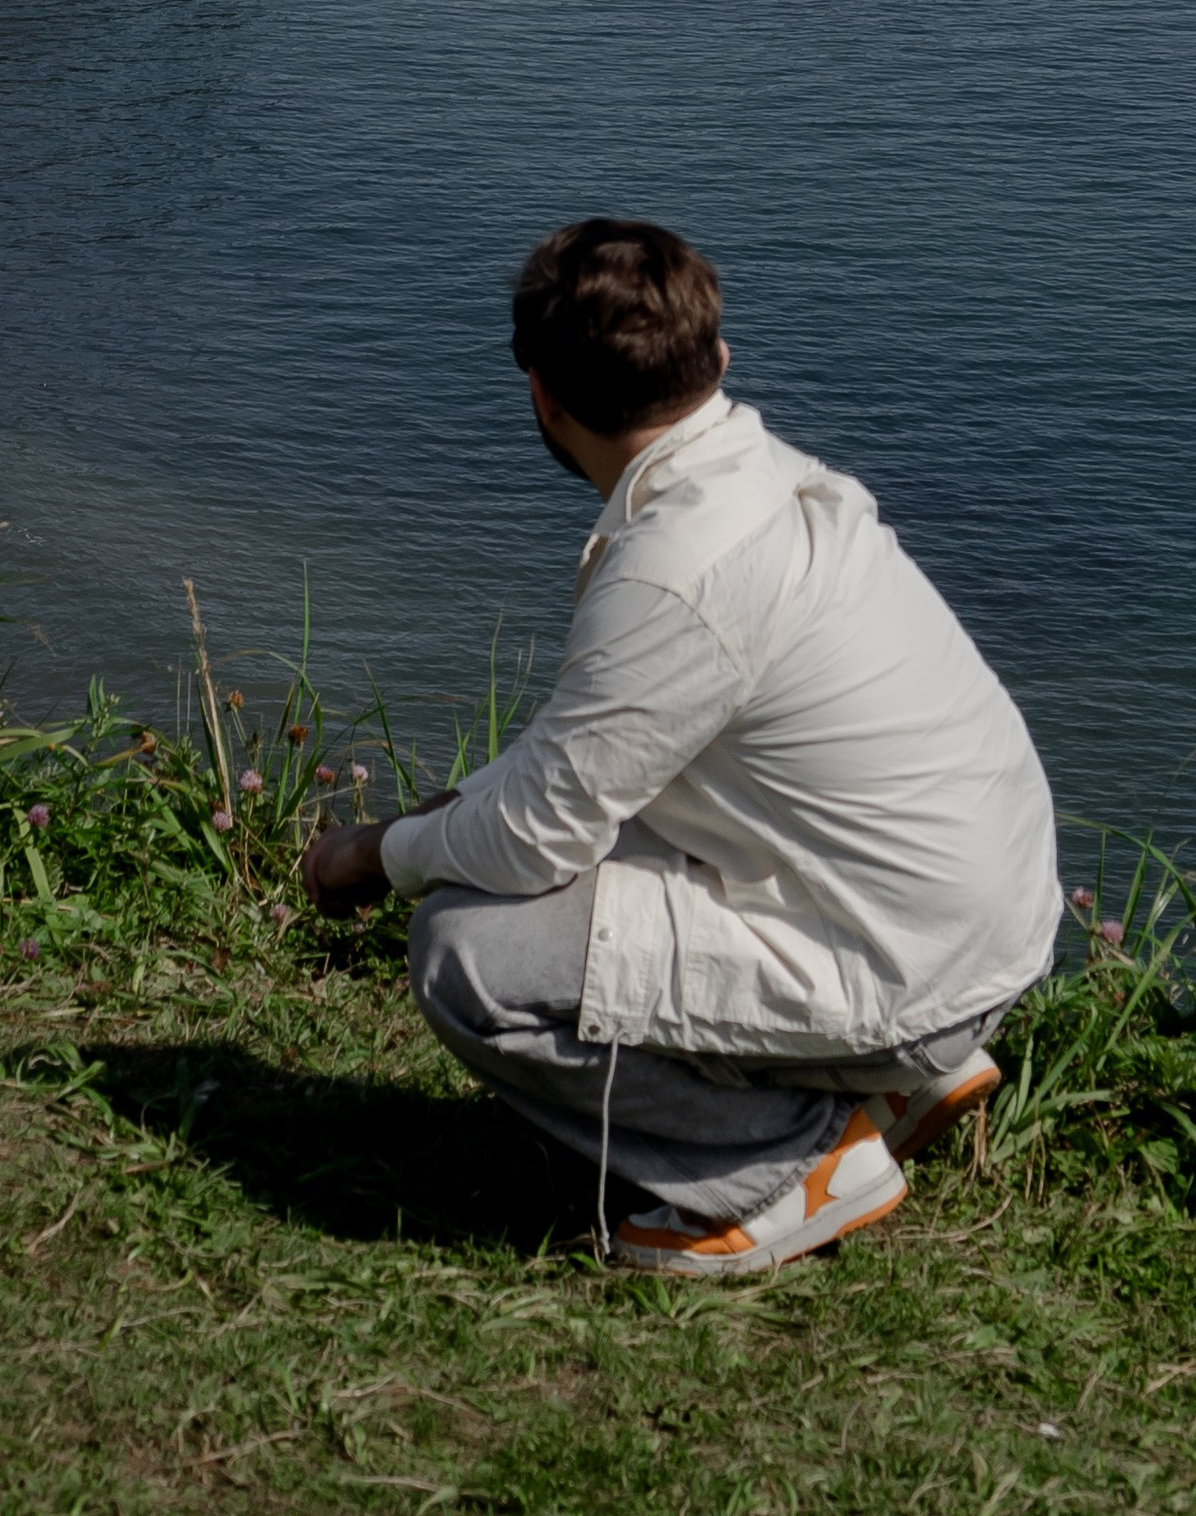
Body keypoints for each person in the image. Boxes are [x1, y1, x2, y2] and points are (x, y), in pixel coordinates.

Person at [300, 215, 1061, 1279]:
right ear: (719, 359)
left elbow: (532, 840)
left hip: (912, 973)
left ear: (542, 397)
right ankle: (890, 1081)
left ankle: (783, 1165)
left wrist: (375, 855)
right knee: (557, 855)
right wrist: (442, 817)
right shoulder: (766, 482)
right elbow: (581, 771)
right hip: (976, 924)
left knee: (464, 952)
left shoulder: (675, 569)